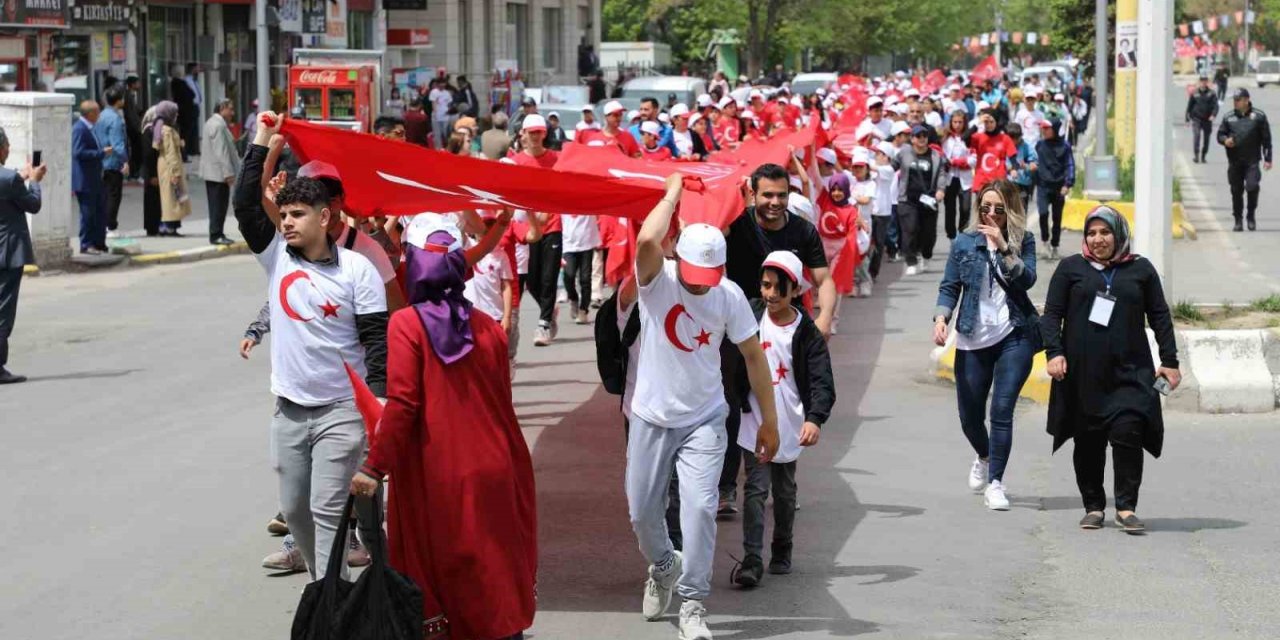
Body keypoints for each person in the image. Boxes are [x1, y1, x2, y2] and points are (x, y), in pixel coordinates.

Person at [234, 112, 389, 580]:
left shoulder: (359, 270)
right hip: (289, 410)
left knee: (325, 509)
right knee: (294, 510)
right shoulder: (277, 257)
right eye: (283, 215)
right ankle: (334, 584)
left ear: (325, 217)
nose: (286, 224)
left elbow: (377, 343)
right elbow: (244, 204)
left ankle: (330, 596)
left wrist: (379, 404)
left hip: (342, 411)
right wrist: (263, 140)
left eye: (297, 215)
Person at [626, 173, 778, 640]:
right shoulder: (657, 280)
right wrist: (673, 191)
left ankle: (693, 603)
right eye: (694, 276)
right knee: (641, 514)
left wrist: (769, 422)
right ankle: (664, 564)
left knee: (699, 509)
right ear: (678, 258)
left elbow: (754, 355)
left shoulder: (727, 295)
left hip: (706, 419)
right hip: (651, 416)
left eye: (707, 279)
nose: (699, 287)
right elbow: (649, 236)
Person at [1041, 206, 1181, 534]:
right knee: (1088, 442)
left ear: (1118, 233)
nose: (1098, 239)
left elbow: (1160, 316)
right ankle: (1093, 505)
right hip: (1083, 375)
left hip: (1131, 373)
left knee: (1128, 434)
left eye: (1105, 232)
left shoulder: (1141, 270)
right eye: (1092, 232)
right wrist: (1054, 353)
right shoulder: (1070, 268)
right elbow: (1051, 316)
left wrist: (1170, 361)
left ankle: (1126, 507)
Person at [933, 180, 1038, 511]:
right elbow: (949, 286)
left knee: (1002, 410)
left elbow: (1027, 279)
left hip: (1014, 334)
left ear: (1010, 212)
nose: (991, 214)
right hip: (972, 335)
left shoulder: (1024, 241)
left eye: (999, 209)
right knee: (969, 417)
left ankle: (996, 482)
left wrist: (1004, 247)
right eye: (985, 207)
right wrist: (941, 318)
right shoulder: (964, 242)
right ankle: (983, 455)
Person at [731, 251, 834, 587]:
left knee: (784, 492)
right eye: (766, 285)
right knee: (755, 489)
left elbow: (821, 380)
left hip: (790, 421)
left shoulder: (806, 333)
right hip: (756, 419)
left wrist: (814, 419)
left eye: (778, 288)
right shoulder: (749, 315)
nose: (771, 294)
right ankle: (751, 559)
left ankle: (782, 545)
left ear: (794, 291)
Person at [511, 114, 564, 347]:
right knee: (531, 279)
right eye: (531, 132)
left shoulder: (556, 159)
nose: (535, 136)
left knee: (549, 276)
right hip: (527, 228)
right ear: (523, 133)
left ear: (544, 133)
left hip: (553, 224)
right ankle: (549, 310)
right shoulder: (516, 161)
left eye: (539, 132)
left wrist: (549, 213)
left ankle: (543, 324)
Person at [0, 128, 44, 384]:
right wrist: (35, 180)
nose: (8, 150)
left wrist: (22, 174)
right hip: (8, 252)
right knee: (3, 312)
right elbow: (33, 204)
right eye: (6, 146)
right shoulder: (9, 180)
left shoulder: (10, 179)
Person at [894, 124, 950, 276]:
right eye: (918, 136)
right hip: (907, 199)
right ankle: (911, 261)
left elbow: (941, 174)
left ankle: (926, 256)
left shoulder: (935, 156)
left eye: (924, 136)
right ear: (912, 139)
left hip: (929, 200)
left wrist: (940, 190)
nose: (922, 139)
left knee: (928, 234)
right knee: (909, 230)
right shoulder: (904, 152)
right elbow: (892, 165)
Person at [1217, 87, 1272, 231]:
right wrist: (1225, 140)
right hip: (1235, 161)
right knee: (1236, 191)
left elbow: (1266, 139)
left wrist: (1268, 158)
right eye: (1234, 100)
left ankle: (1251, 215)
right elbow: (1220, 135)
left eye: (1238, 100)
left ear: (1246, 100)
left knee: (1252, 186)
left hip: (1252, 161)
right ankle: (1238, 219)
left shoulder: (1259, 116)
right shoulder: (1228, 117)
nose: (1235, 103)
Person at [199, 99, 240, 246]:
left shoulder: (213, 123)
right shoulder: (218, 125)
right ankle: (216, 234)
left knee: (218, 205)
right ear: (222, 108)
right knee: (218, 206)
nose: (232, 113)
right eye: (230, 109)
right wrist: (228, 173)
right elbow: (221, 151)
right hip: (218, 174)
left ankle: (218, 233)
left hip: (215, 173)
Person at [1034, 119, 1075, 260]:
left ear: (1055, 129)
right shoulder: (1039, 145)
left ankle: (1055, 245)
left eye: (1047, 128)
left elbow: (1070, 165)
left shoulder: (1065, 146)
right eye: (1042, 128)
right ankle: (1045, 242)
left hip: (1059, 188)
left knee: (1057, 218)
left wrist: (1067, 184)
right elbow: (1033, 160)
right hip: (1043, 186)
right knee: (1043, 214)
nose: (1043, 131)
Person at [72, 100, 108, 255]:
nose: (99, 115)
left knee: (99, 211)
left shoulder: (90, 128)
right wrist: (101, 153)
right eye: (97, 112)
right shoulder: (80, 129)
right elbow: (78, 152)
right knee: (88, 214)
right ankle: (86, 244)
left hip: (94, 179)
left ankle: (99, 242)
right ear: (91, 113)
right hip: (85, 180)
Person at [94, 87, 129, 237]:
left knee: (104, 196)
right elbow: (118, 144)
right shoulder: (115, 119)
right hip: (113, 162)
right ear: (119, 101)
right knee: (114, 195)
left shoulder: (100, 116)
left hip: (100, 161)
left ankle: (102, 225)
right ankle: (111, 226)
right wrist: (125, 161)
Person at [152, 101, 191, 236]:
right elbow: (170, 152)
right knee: (172, 197)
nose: (176, 114)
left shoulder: (160, 126)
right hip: (169, 165)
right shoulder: (167, 130)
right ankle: (169, 227)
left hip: (163, 163)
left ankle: (169, 226)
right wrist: (175, 172)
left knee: (170, 195)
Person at [941, 110, 975, 240]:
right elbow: (943, 157)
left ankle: (963, 235)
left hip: (965, 179)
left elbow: (973, 160)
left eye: (960, 122)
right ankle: (951, 236)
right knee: (950, 209)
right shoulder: (946, 138)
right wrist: (949, 162)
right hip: (949, 178)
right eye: (955, 122)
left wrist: (956, 162)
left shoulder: (970, 138)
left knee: (965, 209)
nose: (957, 125)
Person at [561, 212, 600, 325]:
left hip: (586, 244)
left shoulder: (587, 200)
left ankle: (583, 310)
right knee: (569, 276)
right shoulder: (563, 202)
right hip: (568, 245)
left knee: (585, 279)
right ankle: (573, 298)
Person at [140, 106, 163, 236]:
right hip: (151, 172)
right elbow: (149, 154)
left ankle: (155, 226)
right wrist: (152, 175)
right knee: (151, 201)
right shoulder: (149, 131)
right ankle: (152, 228)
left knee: (155, 200)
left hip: (154, 171)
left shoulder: (154, 130)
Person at [1005, 122, 1037, 214]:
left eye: (1016, 139)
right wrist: (1010, 168)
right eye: (1011, 139)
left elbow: (1034, 164)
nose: (1013, 142)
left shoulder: (1027, 147)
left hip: (1023, 184)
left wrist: (1027, 166)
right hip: (1006, 183)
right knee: (1007, 210)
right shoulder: (1003, 145)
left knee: (1022, 210)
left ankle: (1020, 227)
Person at [124, 75, 144, 181]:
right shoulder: (128, 96)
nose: (139, 85)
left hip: (135, 127)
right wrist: (137, 127)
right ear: (132, 85)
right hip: (133, 129)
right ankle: (134, 173)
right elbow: (130, 114)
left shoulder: (132, 95)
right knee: (137, 150)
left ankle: (134, 172)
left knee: (137, 150)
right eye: (137, 83)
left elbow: (135, 111)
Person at [427, 80, 453, 149]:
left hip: (445, 117)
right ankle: (438, 150)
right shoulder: (434, 92)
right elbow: (433, 103)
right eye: (441, 83)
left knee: (446, 134)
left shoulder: (447, 93)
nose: (442, 85)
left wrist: (449, 112)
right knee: (437, 135)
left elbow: (449, 104)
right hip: (436, 117)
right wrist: (435, 113)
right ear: (438, 84)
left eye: (443, 83)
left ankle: (448, 149)